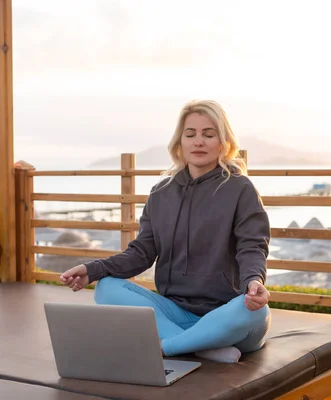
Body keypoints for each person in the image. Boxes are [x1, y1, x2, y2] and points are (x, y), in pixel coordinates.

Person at [60, 100, 271, 363]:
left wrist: (254, 281)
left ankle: (169, 346)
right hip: (175, 312)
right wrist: (93, 269)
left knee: (255, 313)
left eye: (209, 134)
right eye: (190, 134)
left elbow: (252, 246)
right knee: (106, 288)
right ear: (179, 142)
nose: (198, 142)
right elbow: (141, 253)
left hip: (225, 313)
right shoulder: (162, 193)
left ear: (223, 142)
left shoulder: (241, 188)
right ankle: (202, 345)